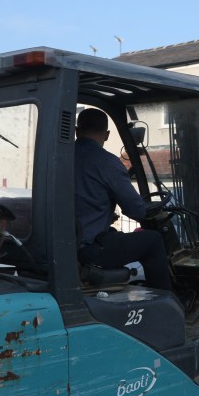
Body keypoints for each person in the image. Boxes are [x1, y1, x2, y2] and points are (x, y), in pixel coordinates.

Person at [73, 108, 173, 290]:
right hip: (88, 249)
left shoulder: (59, 158)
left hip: (65, 243)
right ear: (107, 135)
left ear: (77, 131)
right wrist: (144, 209)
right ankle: (167, 300)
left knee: (114, 234)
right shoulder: (107, 163)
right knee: (154, 240)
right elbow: (135, 210)